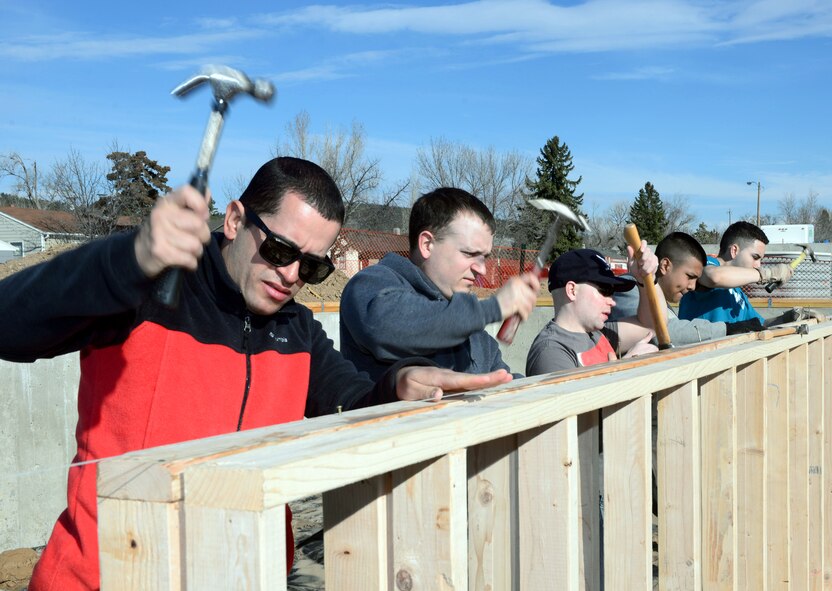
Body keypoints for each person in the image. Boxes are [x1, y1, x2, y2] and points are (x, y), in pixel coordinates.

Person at [0, 158, 511, 591]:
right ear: (235, 219)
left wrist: (396, 385)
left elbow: (351, 399)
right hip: (110, 575)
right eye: (280, 251)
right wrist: (124, 259)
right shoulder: (145, 292)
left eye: (311, 267)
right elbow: (10, 323)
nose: (291, 276)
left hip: (246, 574)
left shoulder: (297, 328)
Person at [339, 187, 540, 380]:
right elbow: (387, 327)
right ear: (427, 245)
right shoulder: (371, 286)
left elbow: (502, 385)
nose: (482, 269)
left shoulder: (474, 333)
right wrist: (494, 308)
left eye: (484, 257)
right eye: (469, 253)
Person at [610, 232, 766, 344]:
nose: (692, 286)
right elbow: (658, 332)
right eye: (690, 276)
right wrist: (727, 329)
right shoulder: (631, 287)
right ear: (665, 266)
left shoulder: (664, 303)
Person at [526, 246, 661, 376]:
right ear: (572, 291)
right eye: (604, 291)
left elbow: (650, 325)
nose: (612, 301)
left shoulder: (598, 333)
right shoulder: (551, 352)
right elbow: (576, 399)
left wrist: (646, 279)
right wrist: (625, 367)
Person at [678, 221, 793, 324]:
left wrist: (788, 318)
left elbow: (761, 324)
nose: (758, 265)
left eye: (760, 260)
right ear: (734, 250)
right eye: (755, 257)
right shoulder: (705, 263)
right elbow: (714, 277)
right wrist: (767, 274)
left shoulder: (739, 293)